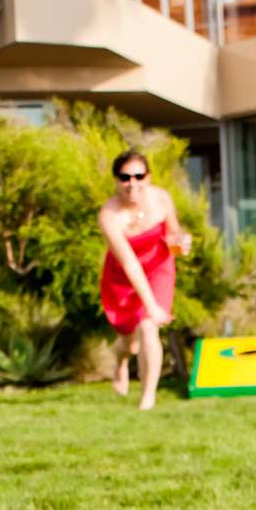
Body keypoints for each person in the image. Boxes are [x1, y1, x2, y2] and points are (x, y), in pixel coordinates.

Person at [97, 149, 191, 412]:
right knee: (130, 342)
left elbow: (174, 231)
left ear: (148, 177)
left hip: (159, 268)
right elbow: (129, 263)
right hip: (124, 277)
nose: (132, 183)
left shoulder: (161, 199)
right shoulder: (109, 215)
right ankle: (121, 362)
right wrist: (149, 303)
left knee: (149, 327)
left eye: (138, 176)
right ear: (116, 180)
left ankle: (147, 398)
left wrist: (181, 241)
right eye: (125, 177)